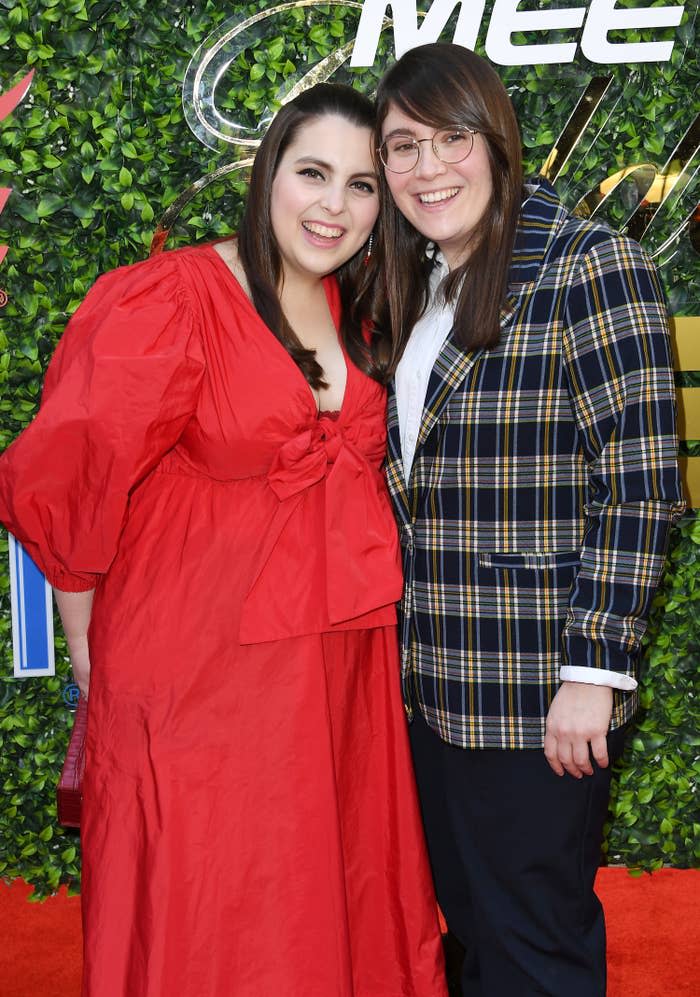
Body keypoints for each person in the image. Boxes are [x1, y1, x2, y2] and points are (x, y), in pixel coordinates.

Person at [0, 83, 447, 997]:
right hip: (193, 669)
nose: (335, 205)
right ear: (265, 172)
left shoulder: (363, 311)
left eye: (362, 186)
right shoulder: (170, 297)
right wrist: (87, 640)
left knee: (324, 889)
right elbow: (70, 473)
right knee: (202, 902)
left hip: (336, 669)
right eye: (313, 173)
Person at [372, 43, 685, 997]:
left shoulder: (590, 263)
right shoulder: (414, 281)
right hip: (430, 684)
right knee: (473, 930)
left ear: (497, 140)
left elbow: (641, 480)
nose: (428, 169)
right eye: (402, 147)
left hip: (535, 693)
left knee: (532, 943)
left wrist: (593, 673)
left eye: (450, 139)